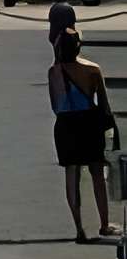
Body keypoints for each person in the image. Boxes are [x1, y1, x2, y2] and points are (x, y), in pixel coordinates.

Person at [44, 29, 116, 243]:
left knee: (71, 174)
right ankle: (104, 224)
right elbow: (103, 104)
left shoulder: (53, 71)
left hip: (65, 124)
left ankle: (79, 228)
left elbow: (55, 105)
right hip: (89, 123)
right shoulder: (93, 69)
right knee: (97, 174)